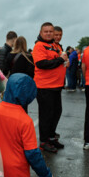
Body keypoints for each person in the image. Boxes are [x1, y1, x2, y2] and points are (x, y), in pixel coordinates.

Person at [32, 22, 68, 153]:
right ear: (41, 33)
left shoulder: (55, 45)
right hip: (44, 86)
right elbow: (42, 64)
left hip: (56, 86)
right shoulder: (39, 46)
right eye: (45, 31)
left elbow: (60, 60)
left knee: (56, 113)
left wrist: (64, 62)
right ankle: (44, 141)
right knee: (46, 115)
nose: (48, 33)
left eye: (50, 31)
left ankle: (52, 137)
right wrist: (60, 60)